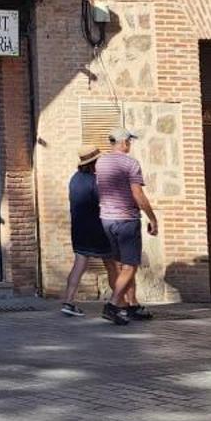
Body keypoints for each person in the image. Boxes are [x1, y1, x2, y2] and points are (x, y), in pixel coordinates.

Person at [94, 129, 160, 326]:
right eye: (129, 142)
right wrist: (152, 218)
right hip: (126, 220)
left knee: (117, 265)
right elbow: (138, 194)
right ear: (124, 143)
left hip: (106, 219)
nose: (130, 145)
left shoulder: (100, 162)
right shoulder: (131, 163)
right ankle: (113, 305)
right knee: (130, 265)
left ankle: (130, 305)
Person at [60, 142, 117, 317]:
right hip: (97, 228)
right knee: (112, 265)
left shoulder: (74, 178)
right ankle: (119, 301)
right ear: (93, 162)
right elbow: (105, 202)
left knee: (79, 264)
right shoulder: (95, 181)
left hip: (78, 227)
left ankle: (68, 301)